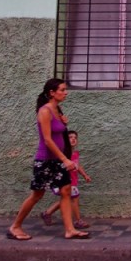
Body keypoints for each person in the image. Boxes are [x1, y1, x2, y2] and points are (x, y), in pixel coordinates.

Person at [8, 78, 90, 240]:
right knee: (37, 195)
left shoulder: (57, 109)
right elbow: (47, 139)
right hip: (46, 160)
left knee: (66, 191)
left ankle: (70, 230)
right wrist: (64, 160)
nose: (65, 92)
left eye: (65, 89)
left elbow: (58, 134)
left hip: (59, 160)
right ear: (52, 93)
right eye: (62, 90)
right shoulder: (45, 111)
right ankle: (15, 226)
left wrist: (63, 123)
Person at [40, 130, 92, 229]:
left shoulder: (75, 153)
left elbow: (77, 165)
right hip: (66, 181)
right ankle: (78, 221)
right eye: (70, 137)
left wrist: (85, 175)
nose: (73, 139)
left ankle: (47, 213)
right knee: (74, 199)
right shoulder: (63, 153)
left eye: (75, 138)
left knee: (66, 199)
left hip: (73, 181)